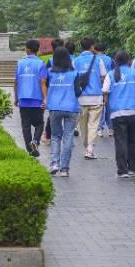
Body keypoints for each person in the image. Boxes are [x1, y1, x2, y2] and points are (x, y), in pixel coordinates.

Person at [103, 50, 135, 178]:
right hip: (134, 111)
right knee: (133, 140)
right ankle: (132, 168)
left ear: (115, 61)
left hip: (117, 112)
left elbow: (105, 91)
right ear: (128, 60)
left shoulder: (110, 74)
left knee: (120, 141)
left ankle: (122, 170)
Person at [45, 46, 83, 177]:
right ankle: (65, 169)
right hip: (71, 107)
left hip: (54, 107)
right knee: (68, 136)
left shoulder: (50, 72)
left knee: (55, 136)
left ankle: (55, 163)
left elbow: (46, 86)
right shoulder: (74, 73)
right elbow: (78, 92)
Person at [15, 39, 48, 156]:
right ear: (37, 49)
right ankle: (35, 141)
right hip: (37, 99)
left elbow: (17, 82)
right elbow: (43, 82)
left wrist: (16, 98)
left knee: (25, 125)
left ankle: (29, 149)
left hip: (23, 99)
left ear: (27, 49)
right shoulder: (41, 63)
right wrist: (45, 99)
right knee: (39, 123)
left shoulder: (20, 63)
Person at [74, 38, 103, 159]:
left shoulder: (76, 61)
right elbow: (103, 77)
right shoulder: (98, 60)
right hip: (96, 97)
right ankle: (90, 148)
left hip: (81, 98)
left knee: (83, 125)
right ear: (92, 46)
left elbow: (72, 78)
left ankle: (87, 147)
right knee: (93, 124)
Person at [41, 39, 66, 144]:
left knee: (53, 114)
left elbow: (45, 80)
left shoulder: (50, 61)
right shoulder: (68, 60)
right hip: (65, 91)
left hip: (53, 91)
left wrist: (45, 95)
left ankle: (48, 135)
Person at [94, 41, 113, 137]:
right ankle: (111, 128)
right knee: (109, 107)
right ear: (104, 50)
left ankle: (99, 128)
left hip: (97, 86)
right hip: (108, 86)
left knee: (100, 107)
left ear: (94, 49)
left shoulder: (94, 59)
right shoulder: (109, 59)